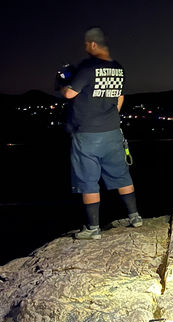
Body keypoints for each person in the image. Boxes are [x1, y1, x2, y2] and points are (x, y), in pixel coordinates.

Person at [61, 27, 142, 240]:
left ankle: (93, 228)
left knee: (88, 180)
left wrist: (63, 81)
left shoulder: (88, 67)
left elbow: (69, 93)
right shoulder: (118, 68)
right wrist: (109, 118)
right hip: (112, 131)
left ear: (93, 44)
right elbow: (120, 98)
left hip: (87, 133)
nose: (86, 48)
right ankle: (135, 217)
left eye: (86, 44)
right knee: (121, 174)